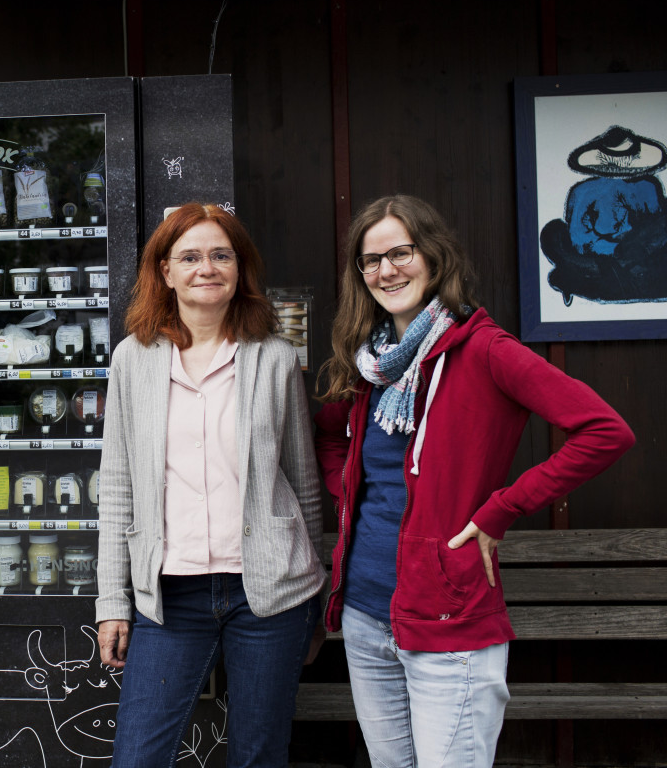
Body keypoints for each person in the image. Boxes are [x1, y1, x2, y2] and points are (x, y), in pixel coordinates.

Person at [315, 194, 635, 767]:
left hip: (448, 612)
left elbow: (603, 431)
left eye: (401, 252)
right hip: (365, 612)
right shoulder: (370, 364)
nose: (387, 270)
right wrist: (348, 495)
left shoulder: (486, 349)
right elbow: (330, 436)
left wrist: (500, 510)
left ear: (435, 258)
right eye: (371, 260)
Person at [95, 203, 326, 768]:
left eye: (221, 255)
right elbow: (118, 486)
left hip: (268, 591)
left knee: (258, 754)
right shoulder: (134, 359)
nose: (207, 267)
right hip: (170, 595)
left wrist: (316, 599)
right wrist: (111, 599)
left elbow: (302, 478)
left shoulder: (273, 357)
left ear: (240, 268)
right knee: (138, 757)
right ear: (165, 271)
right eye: (190, 256)